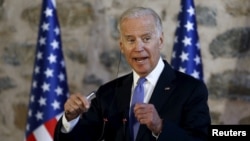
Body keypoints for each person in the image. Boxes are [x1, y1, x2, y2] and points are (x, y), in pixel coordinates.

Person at [54, 6, 211, 141]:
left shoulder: (190, 89)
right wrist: (70, 119)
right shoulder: (107, 94)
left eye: (146, 38)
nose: (138, 47)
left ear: (160, 41)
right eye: (130, 40)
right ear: (122, 46)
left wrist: (160, 127)